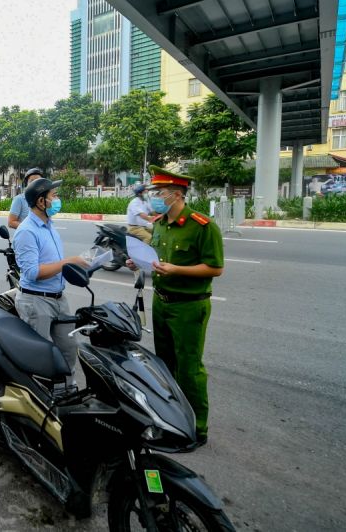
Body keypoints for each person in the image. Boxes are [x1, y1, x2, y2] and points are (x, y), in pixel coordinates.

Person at [128, 165, 224, 446]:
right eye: (154, 192)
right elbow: (158, 258)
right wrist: (140, 262)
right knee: (165, 366)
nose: (155, 196)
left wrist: (177, 270)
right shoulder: (159, 223)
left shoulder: (202, 226)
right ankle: (171, 420)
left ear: (177, 194)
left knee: (189, 369)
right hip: (162, 301)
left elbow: (215, 268)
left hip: (188, 306)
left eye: (160, 192)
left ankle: (198, 428)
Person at [14, 177, 90, 388]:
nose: (57, 200)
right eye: (53, 196)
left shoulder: (49, 226)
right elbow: (32, 273)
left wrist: (77, 267)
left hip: (58, 298)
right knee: (40, 355)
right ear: (41, 202)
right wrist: (68, 262)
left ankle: (66, 389)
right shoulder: (26, 231)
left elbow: (54, 264)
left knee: (68, 347)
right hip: (36, 302)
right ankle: (38, 397)